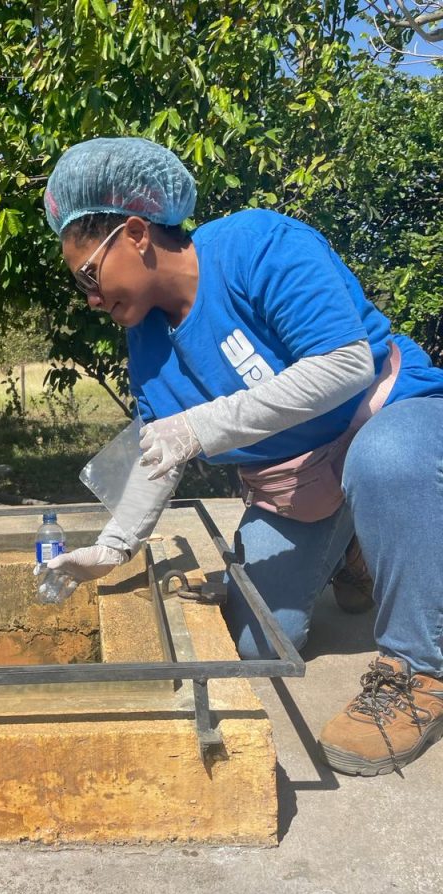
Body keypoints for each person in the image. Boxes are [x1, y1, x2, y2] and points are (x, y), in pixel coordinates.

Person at [42, 136, 443, 778]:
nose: (91, 298)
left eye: (90, 274)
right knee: (258, 642)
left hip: (385, 416)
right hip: (299, 484)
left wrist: (203, 424)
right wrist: (113, 546)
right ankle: (355, 549)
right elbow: (159, 452)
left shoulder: (258, 245)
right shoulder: (146, 343)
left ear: (137, 233)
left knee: (386, 463)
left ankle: (419, 671)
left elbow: (344, 363)